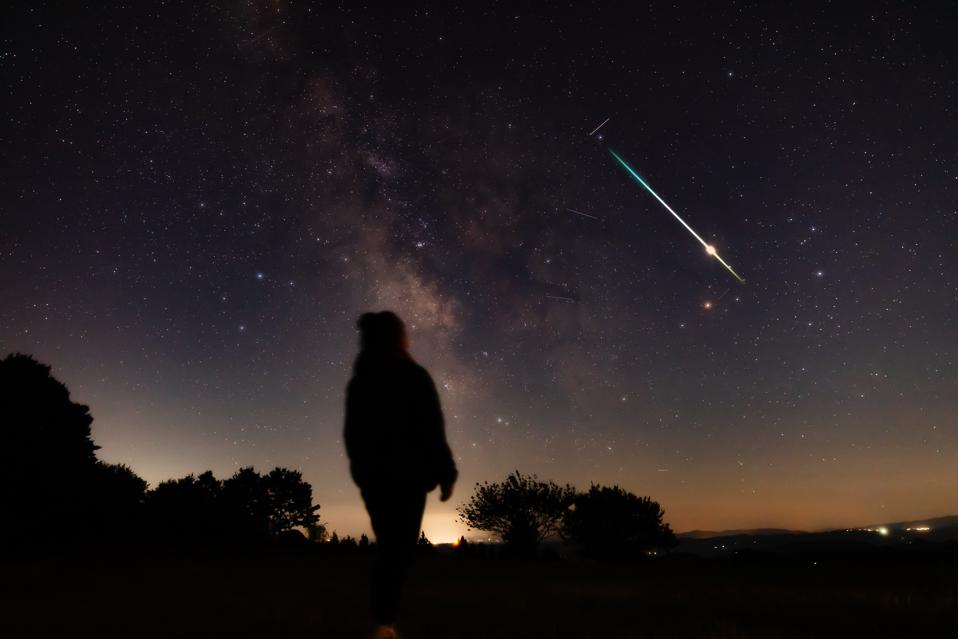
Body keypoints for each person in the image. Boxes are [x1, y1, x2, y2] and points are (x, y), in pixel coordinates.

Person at [344, 311, 458, 639]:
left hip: (376, 478)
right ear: (397, 337)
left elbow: (353, 434)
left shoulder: (361, 380)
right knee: (398, 548)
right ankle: (384, 622)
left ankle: (383, 620)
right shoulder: (413, 375)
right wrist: (445, 472)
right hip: (407, 477)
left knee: (391, 546)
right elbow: (432, 429)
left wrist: (362, 472)